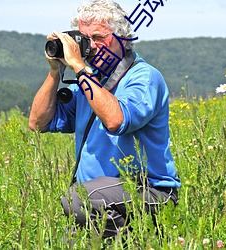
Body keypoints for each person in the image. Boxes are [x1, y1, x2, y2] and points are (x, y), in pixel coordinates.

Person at [29, 0, 181, 244]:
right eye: (84, 38)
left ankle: (135, 241)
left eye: (98, 37)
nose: (90, 46)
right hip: (99, 199)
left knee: (77, 200)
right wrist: (55, 70)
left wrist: (79, 67)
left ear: (122, 38)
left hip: (149, 192)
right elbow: (38, 123)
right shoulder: (89, 82)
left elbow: (116, 120)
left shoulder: (143, 77)